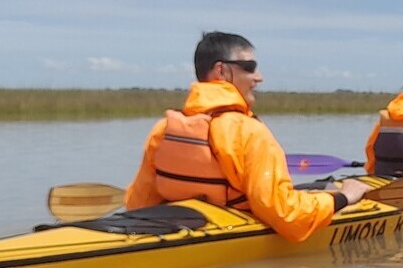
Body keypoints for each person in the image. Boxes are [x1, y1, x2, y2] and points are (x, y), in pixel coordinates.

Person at [125, 31, 371, 242]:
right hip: (232, 235)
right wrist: (342, 198)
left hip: (175, 227)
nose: (259, 77)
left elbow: (138, 204)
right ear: (221, 70)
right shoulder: (248, 131)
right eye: (250, 67)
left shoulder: (164, 127)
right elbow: (286, 215)